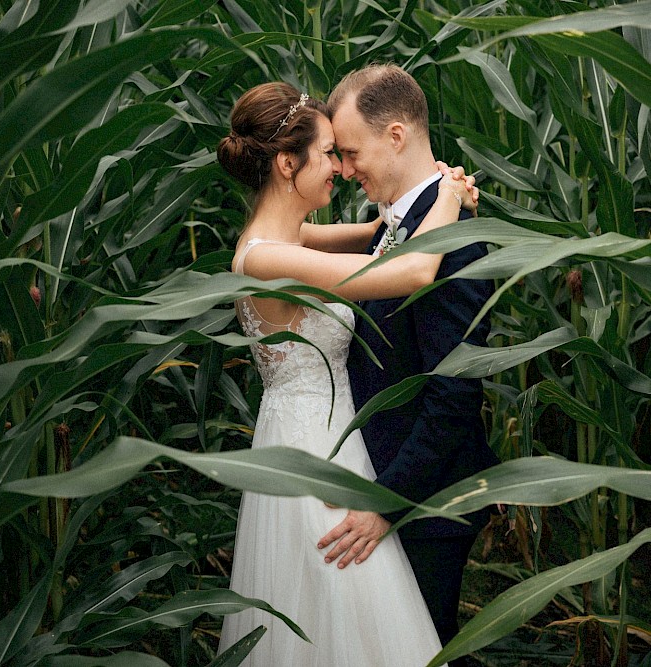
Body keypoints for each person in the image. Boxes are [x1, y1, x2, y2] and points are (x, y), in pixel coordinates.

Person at [215, 81, 477, 666]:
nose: (338, 167)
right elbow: (409, 270)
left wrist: (436, 187)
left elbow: (383, 235)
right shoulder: (266, 258)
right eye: (329, 154)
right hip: (317, 455)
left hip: (334, 436)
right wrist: (452, 202)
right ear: (288, 163)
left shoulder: (290, 237)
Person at [316, 64, 498, 666]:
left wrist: (385, 502)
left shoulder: (456, 239)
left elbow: (453, 394)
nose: (343, 169)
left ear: (396, 135)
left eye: (350, 152)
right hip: (392, 487)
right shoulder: (401, 222)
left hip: (427, 504)